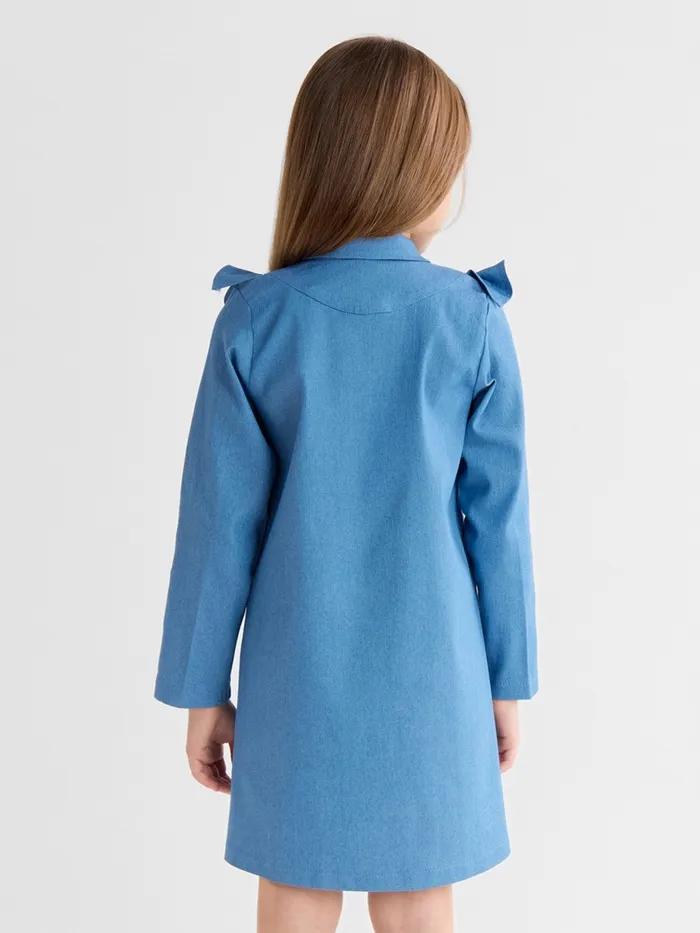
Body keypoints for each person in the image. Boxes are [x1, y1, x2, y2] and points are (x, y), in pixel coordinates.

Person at [155, 35, 538, 933]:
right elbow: (501, 527)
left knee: (296, 883)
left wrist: (202, 690)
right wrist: (509, 679)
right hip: (436, 677)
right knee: (418, 891)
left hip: (296, 678)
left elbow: (218, 527)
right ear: (416, 173)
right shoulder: (472, 321)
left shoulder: (255, 321)